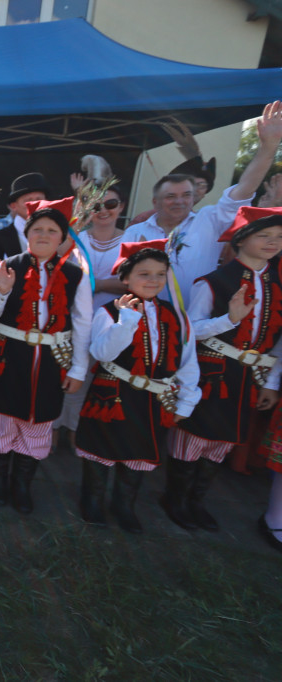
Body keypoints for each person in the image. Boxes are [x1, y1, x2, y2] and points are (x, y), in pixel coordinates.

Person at [163, 207, 282, 532]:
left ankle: (197, 501)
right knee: (193, 435)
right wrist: (229, 319)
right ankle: (175, 499)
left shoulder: (279, 284)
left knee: (223, 441)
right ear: (242, 239)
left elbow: (279, 340)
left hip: (250, 378)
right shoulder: (215, 282)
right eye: (264, 235)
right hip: (213, 372)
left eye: (279, 237)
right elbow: (192, 330)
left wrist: (271, 383)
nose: (273, 242)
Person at [0, 198, 92, 514]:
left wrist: (79, 368)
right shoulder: (8, 265)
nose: (43, 235)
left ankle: (22, 484)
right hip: (9, 356)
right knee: (1, 419)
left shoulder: (75, 273)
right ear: (27, 233)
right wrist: (0, 290)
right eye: (37, 229)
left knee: (38, 422)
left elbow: (82, 321)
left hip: (52, 361)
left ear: (62, 236)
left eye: (51, 230)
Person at [75, 241, 199, 533]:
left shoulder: (176, 316)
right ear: (126, 278)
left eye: (160, 274)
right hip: (114, 393)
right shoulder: (108, 311)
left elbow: (188, 361)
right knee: (101, 446)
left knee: (140, 450)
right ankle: (91, 500)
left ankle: (124, 504)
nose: (153, 280)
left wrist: (186, 401)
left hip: (154, 399)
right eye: (144, 274)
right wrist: (127, 321)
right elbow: (102, 353)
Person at [123, 101, 282, 304]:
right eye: (171, 196)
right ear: (156, 201)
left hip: (198, 323)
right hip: (150, 325)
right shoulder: (135, 232)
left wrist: (268, 147)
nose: (179, 201)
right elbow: (122, 278)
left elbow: (244, 189)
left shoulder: (210, 220)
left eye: (186, 195)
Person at [53, 184, 129, 448]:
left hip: (115, 323)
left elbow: (136, 282)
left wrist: (96, 285)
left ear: (121, 207)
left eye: (111, 204)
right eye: (96, 206)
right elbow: (55, 263)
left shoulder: (132, 239)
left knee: (97, 383)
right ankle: (52, 428)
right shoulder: (77, 239)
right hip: (73, 320)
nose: (104, 211)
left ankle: (78, 432)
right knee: (69, 373)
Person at [0, 172, 50, 266]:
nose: (35, 204)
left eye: (39, 199)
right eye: (28, 200)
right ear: (13, 206)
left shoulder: (56, 234)